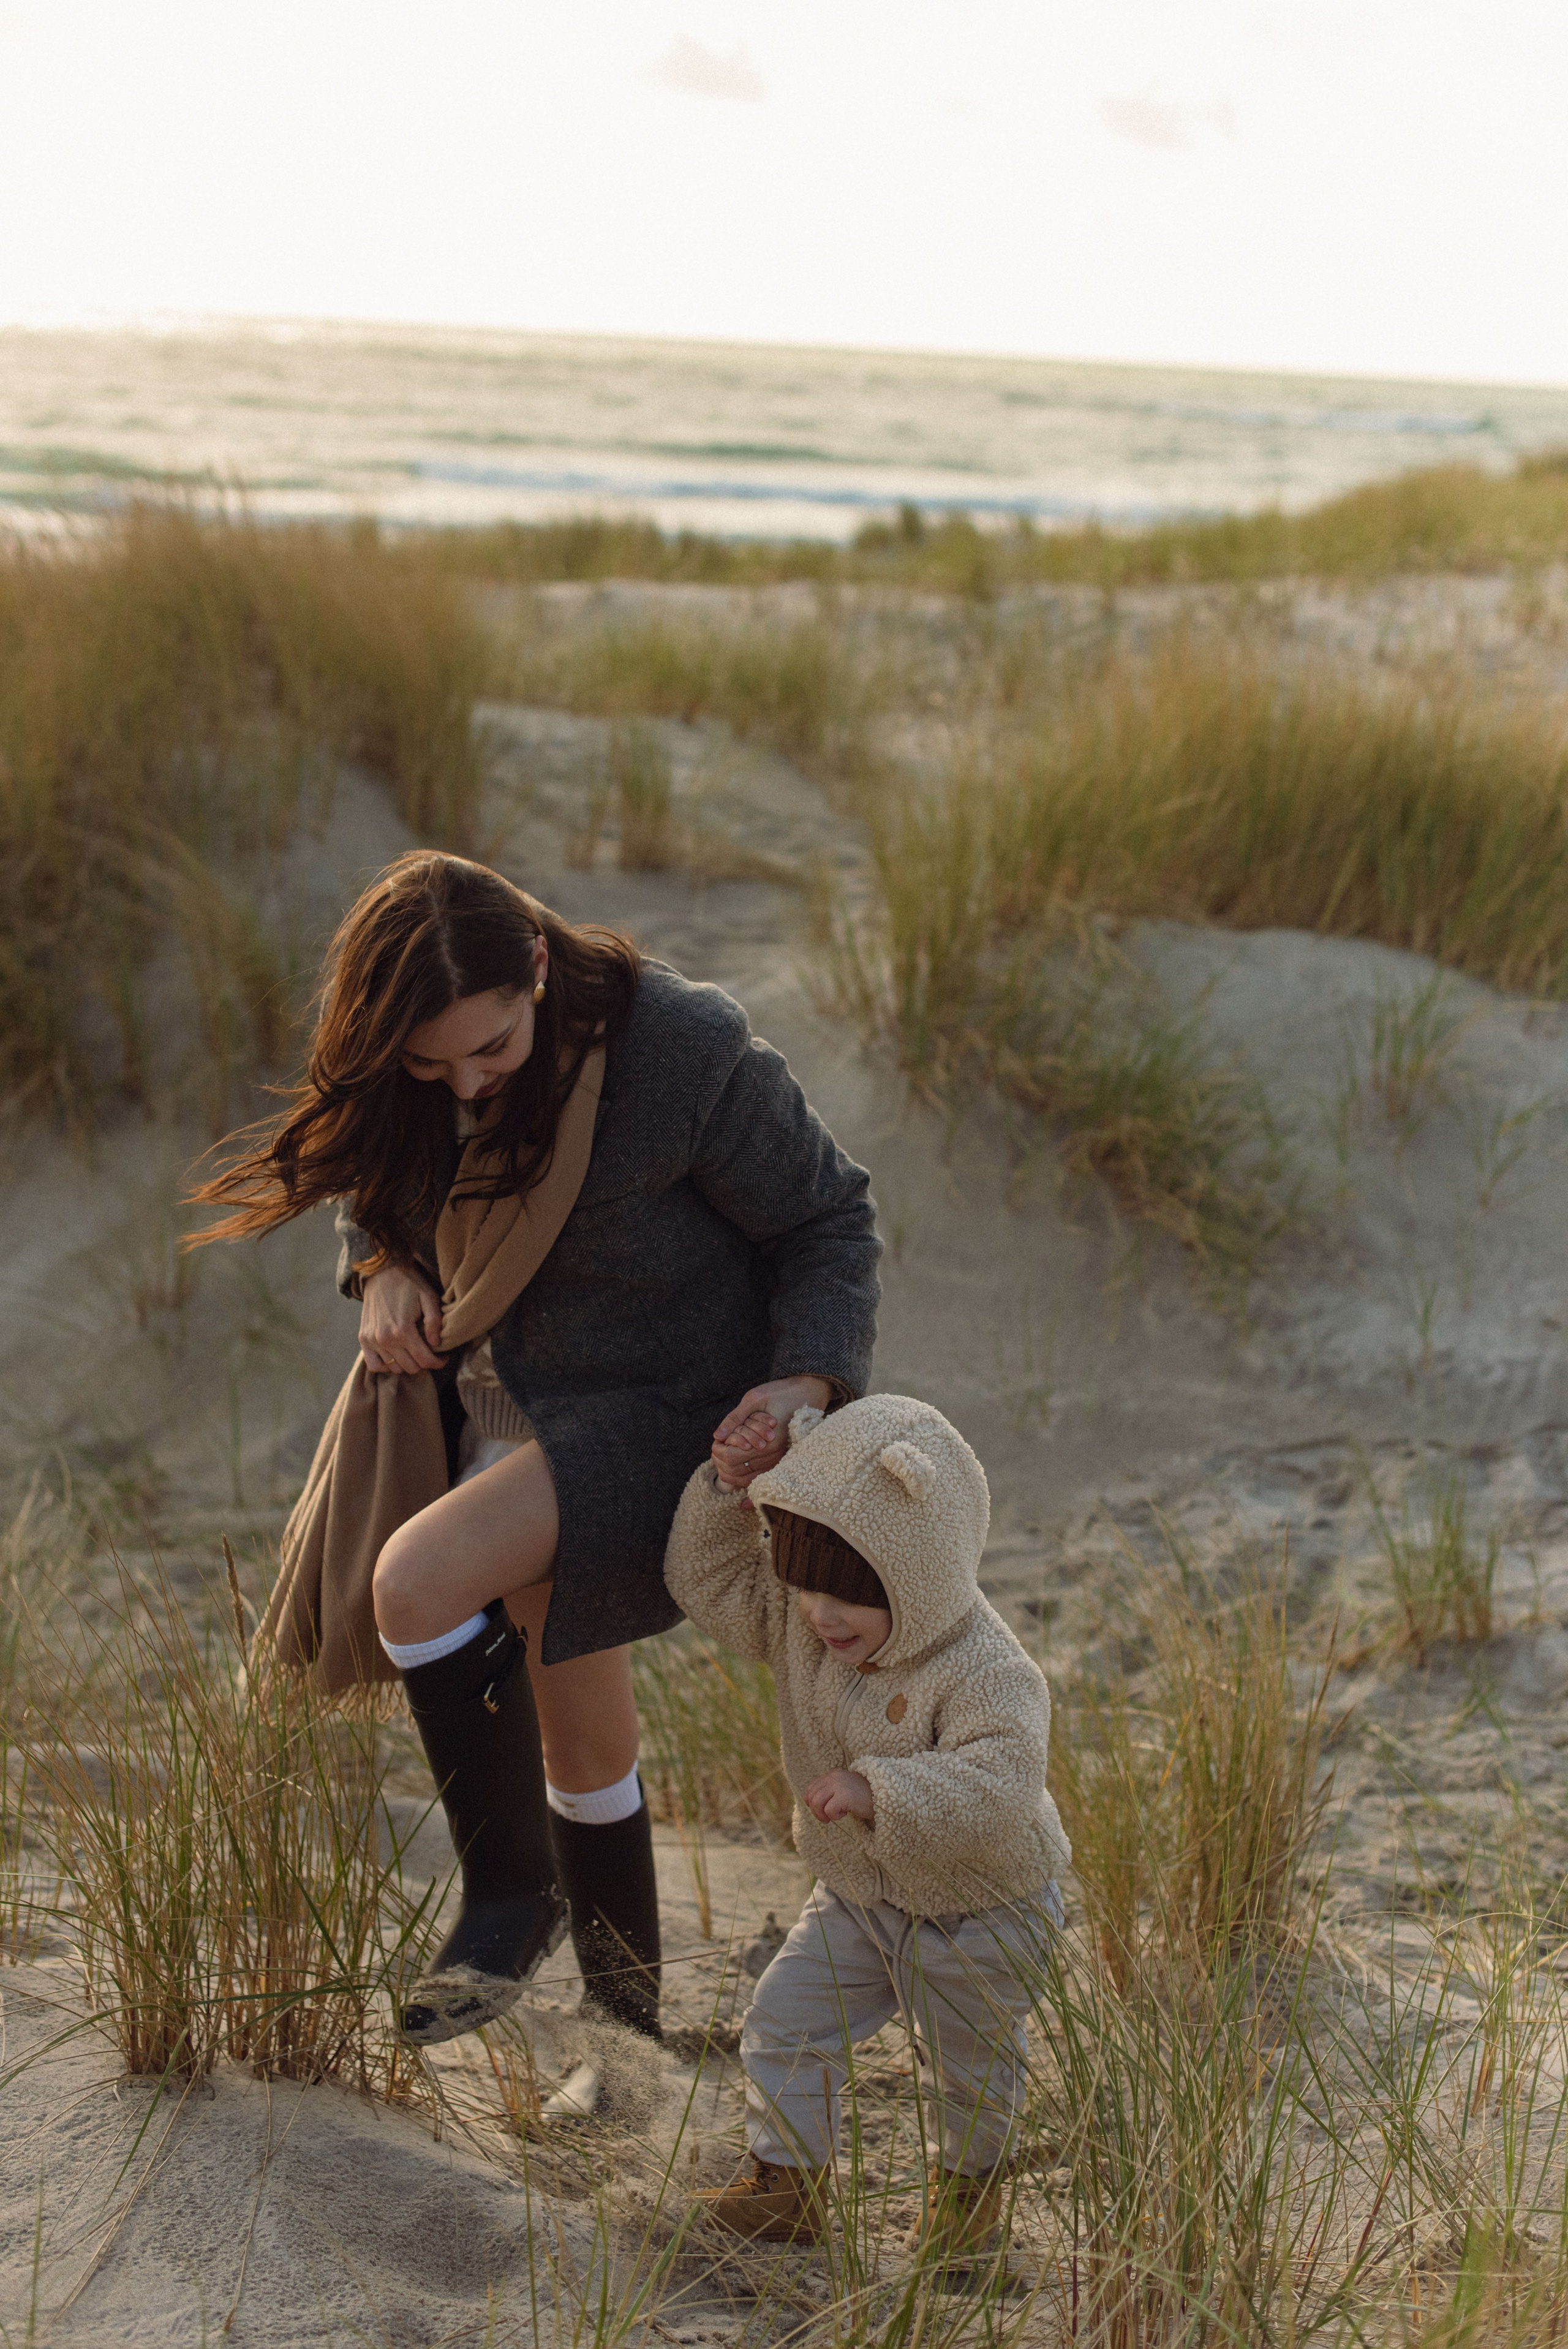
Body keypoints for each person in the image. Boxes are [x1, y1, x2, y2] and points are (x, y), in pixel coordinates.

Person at [192, 850, 881, 2054]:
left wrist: (807, 1375)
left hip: (670, 1408)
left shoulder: (679, 1046)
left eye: (492, 1050)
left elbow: (826, 1216)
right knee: (580, 1733)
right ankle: (626, 2046)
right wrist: (383, 1269)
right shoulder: (423, 1067)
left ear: (543, 971)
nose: (464, 1081)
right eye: (429, 1064)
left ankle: (514, 1893)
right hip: (504, 1403)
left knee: (412, 1581)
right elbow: (376, 1179)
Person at [663, 1393, 1070, 2260]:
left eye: (851, 1596)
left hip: (983, 1914)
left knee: (971, 2073)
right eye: (805, 1584)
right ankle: (790, 2187)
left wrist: (879, 1789)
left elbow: (999, 1782)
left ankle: (968, 2220)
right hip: (858, 1895)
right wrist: (726, 1487)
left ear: (922, 1575)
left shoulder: (989, 1671)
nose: (821, 1615)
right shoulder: (806, 1620)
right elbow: (710, 1582)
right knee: (784, 2019)